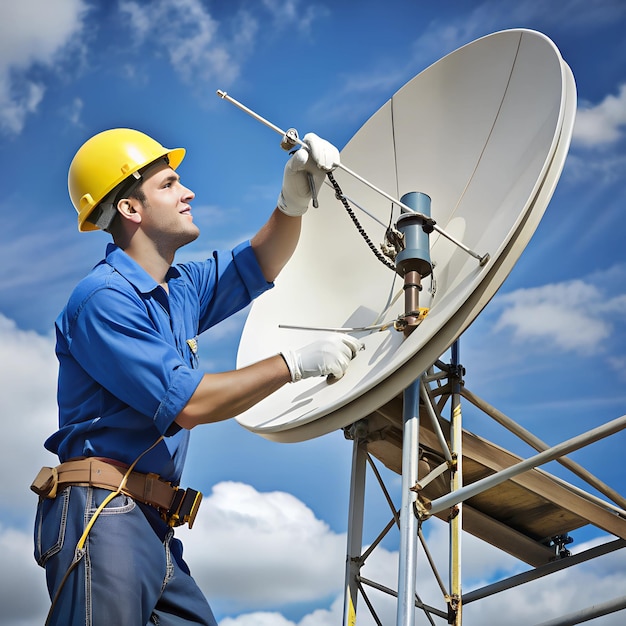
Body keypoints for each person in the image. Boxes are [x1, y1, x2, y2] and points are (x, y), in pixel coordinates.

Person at [31, 127, 362, 625]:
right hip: (103, 514)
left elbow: (260, 261)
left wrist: (290, 200)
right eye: (168, 185)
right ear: (130, 209)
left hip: (152, 526)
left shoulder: (178, 288)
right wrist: (291, 365)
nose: (187, 192)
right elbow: (191, 404)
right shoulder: (104, 300)